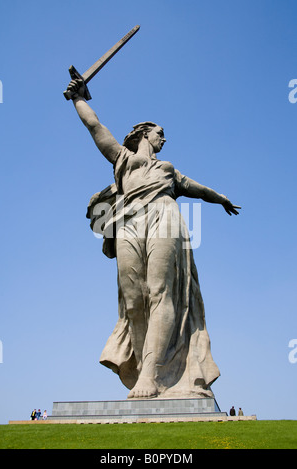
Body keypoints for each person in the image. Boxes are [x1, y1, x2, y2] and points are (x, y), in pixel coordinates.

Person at [66, 79, 241, 399]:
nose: (164, 137)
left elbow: (198, 190)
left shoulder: (169, 171)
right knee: (133, 299)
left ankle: (151, 373)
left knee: (161, 292)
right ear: (143, 133)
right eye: (159, 132)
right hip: (129, 222)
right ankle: (141, 362)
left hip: (164, 218)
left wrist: (222, 198)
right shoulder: (122, 159)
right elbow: (94, 126)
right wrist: (77, 98)